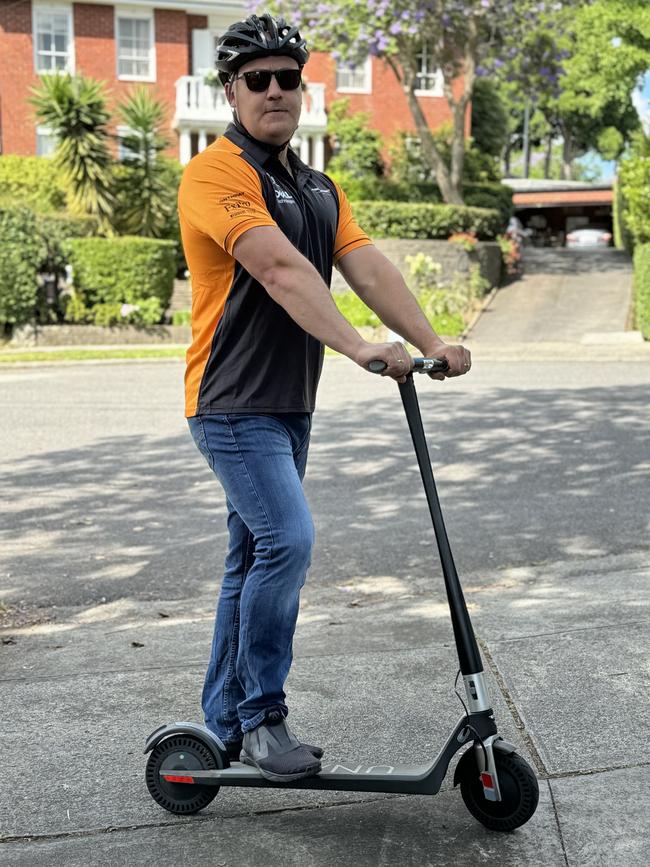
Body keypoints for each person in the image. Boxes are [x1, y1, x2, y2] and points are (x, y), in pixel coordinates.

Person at [177, 12, 472, 784]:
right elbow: (279, 270)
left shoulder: (314, 185)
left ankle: (222, 725)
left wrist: (431, 340)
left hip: (286, 403)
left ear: (301, 91)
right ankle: (261, 718)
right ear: (232, 92)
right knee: (287, 541)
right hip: (231, 401)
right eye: (257, 80)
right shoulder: (217, 173)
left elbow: (366, 267)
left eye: (288, 78)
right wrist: (358, 345)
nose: (275, 91)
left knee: (250, 558)